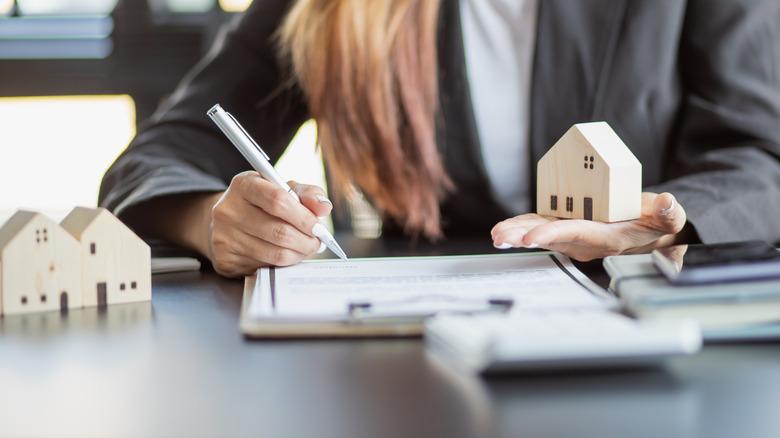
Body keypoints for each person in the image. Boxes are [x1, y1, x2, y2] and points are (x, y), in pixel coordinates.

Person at [99, 0, 780, 278]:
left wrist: (662, 220)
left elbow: (759, 153)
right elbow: (161, 156)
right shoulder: (333, 10)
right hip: (404, 352)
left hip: (636, 320)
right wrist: (214, 219)